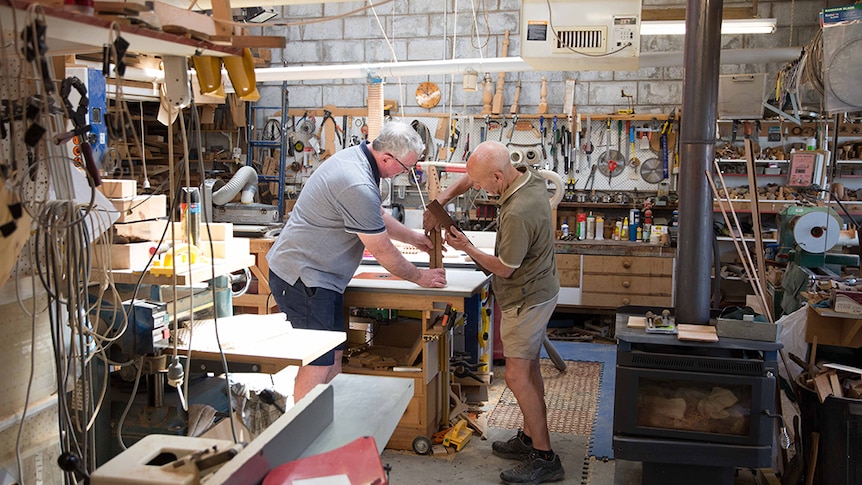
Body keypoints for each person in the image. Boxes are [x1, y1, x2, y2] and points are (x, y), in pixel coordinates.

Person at [267, 121, 447, 404]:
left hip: (322, 277)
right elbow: (382, 250)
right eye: (405, 167)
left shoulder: (361, 160)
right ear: (387, 158)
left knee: (335, 354)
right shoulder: (357, 181)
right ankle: (301, 433)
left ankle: (330, 421)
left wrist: (413, 239)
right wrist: (420, 277)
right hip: (303, 278)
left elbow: (376, 217)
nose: (405, 173)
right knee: (318, 361)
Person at [428, 140, 563, 484]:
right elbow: (470, 178)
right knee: (528, 369)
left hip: (526, 297)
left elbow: (504, 268)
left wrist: (466, 247)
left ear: (499, 177)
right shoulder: (525, 176)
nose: (477, 190)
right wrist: (442, 199)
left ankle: (545, 457)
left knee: (518, 376)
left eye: (482, 184)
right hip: (539, 289)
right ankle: (530, 438)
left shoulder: (519, 212)